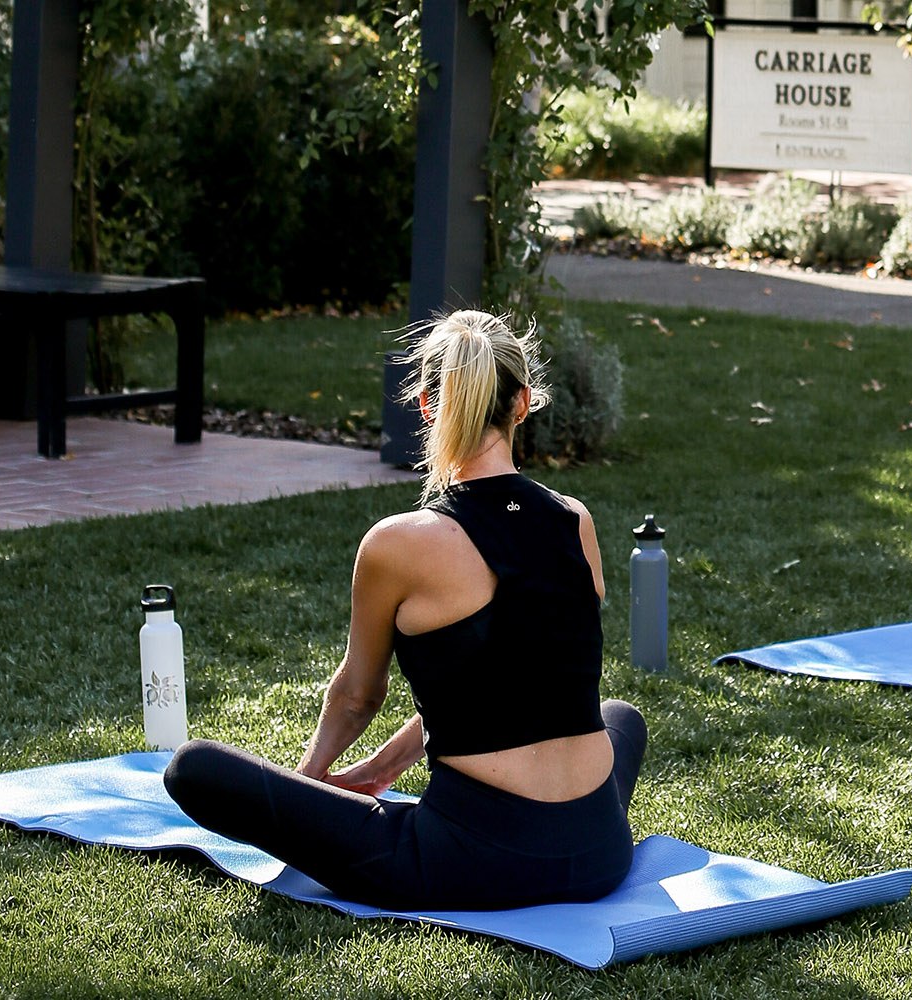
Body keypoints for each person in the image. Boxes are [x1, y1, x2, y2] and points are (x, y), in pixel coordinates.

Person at [164, 310, 645, 911]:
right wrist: (381, 768)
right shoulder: (575, 520)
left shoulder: (398, 542)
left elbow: (357, 698)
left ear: (425, 406)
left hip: (475, 863)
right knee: (619, 715)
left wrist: (309, 781)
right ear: (522, 403)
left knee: (195, 769)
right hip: (601, 851)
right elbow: (510, 678)